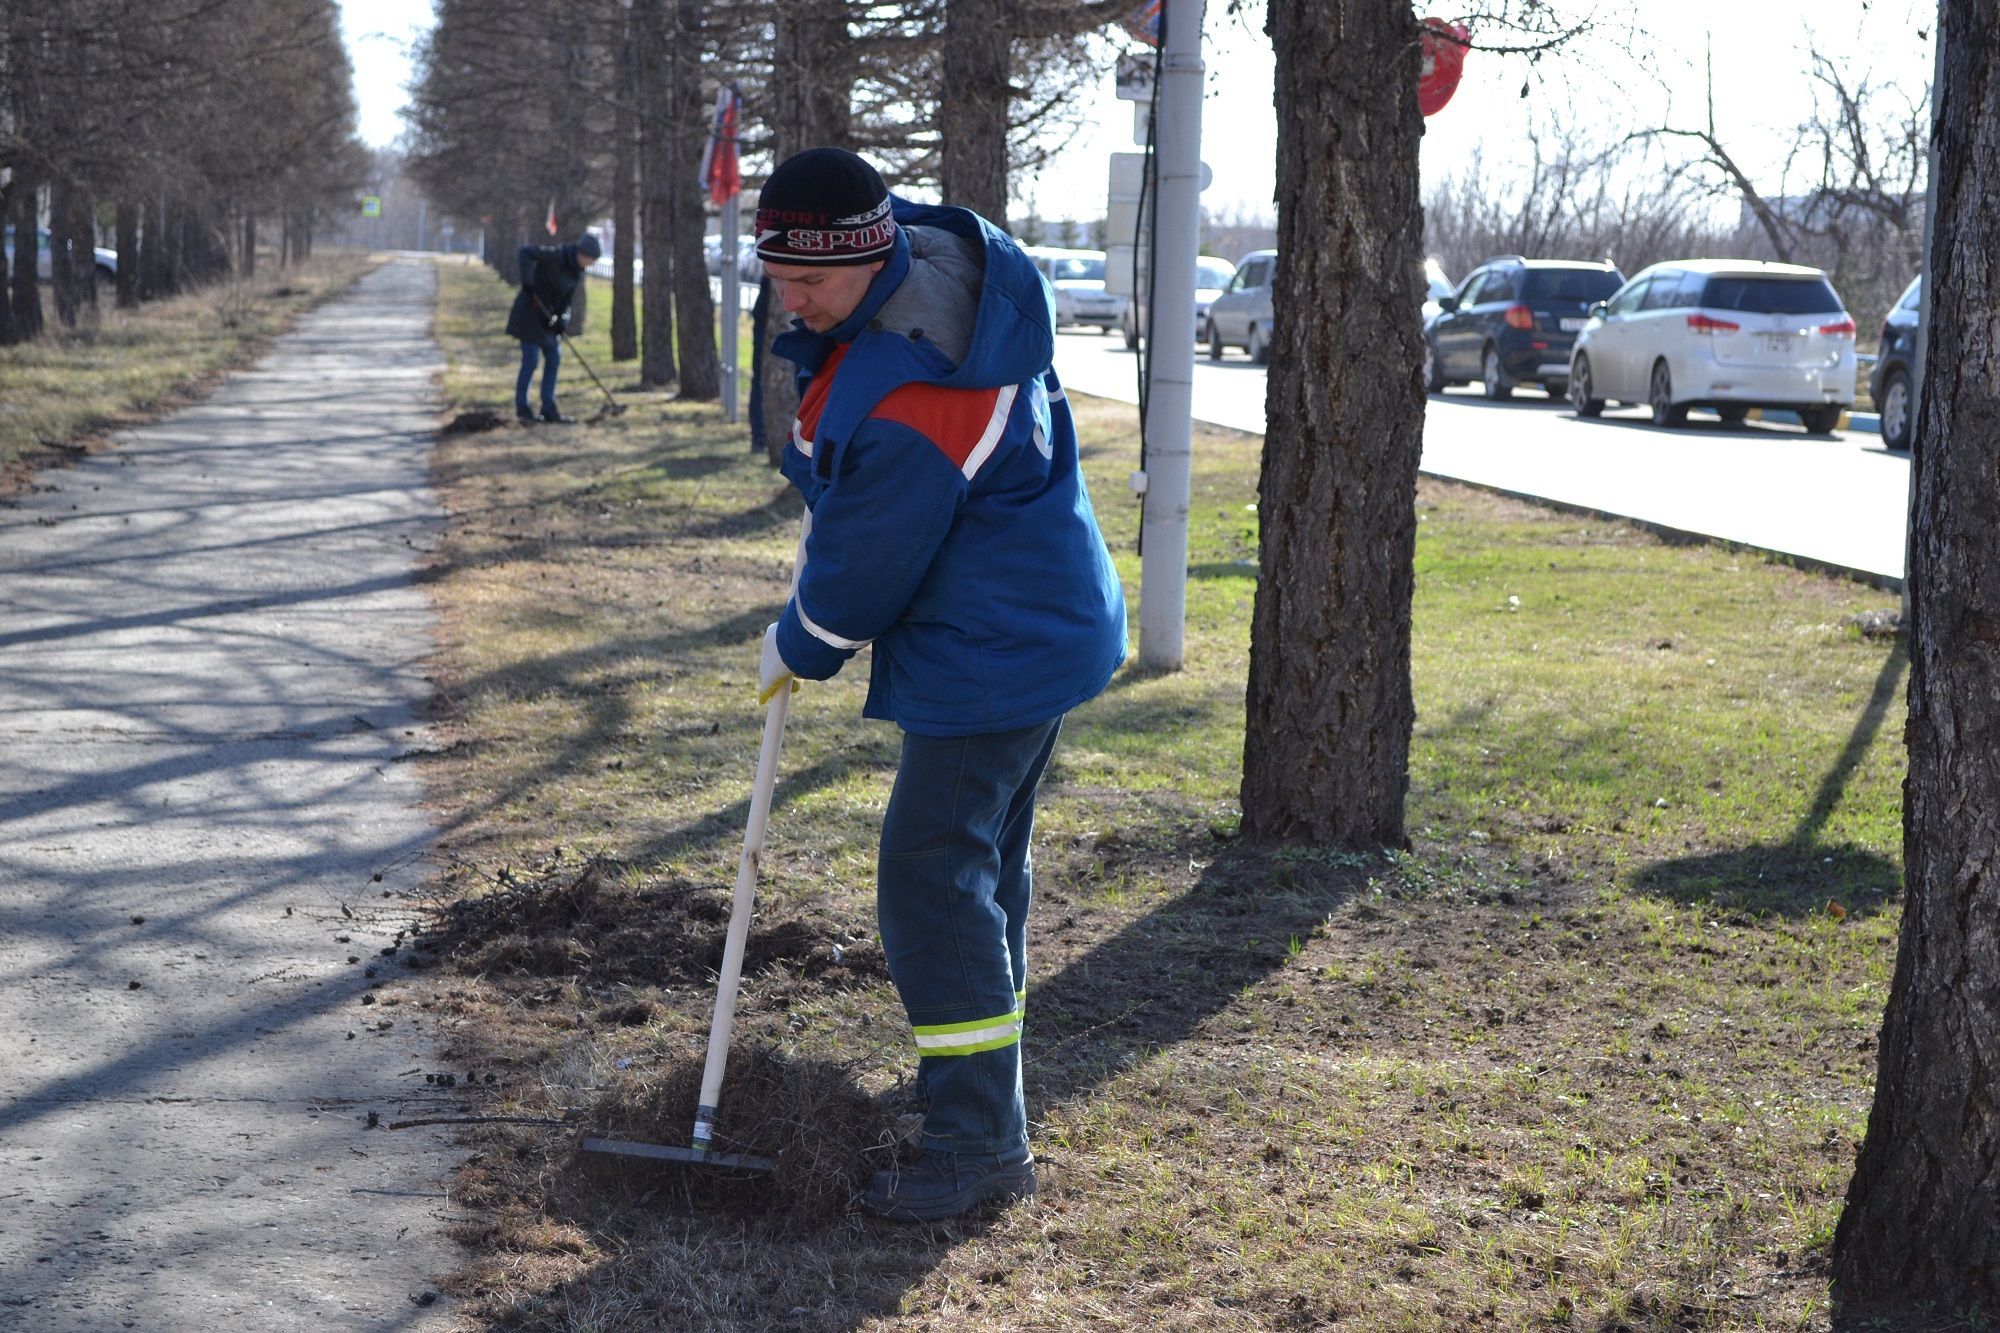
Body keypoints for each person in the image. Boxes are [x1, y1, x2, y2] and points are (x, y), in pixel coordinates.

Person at [753, 148, 1127, 1222]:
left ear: (872, 255)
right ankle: (982, 1109)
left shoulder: (922, 385)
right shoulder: (937, 286)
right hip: (1035, 621)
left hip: (996, 647)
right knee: (977, 873)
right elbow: (853, 474)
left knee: (928, 877)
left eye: (811, 283)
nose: (794, 298)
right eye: (778, 277)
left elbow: (865, 568)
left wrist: (799, 640)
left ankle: (974, 1147)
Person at [506, 231, 600, 424]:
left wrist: (561, 322)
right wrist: (527, 283)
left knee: (554, 358)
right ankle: (522, 407)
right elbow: (525, 252)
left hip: (548, 319)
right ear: (582, 254)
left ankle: (548, 408)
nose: (591, 265)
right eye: (591, 260)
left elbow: (566, 301)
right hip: (530, 314)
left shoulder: (576, 272)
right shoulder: (556, 254)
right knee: (531, 360)